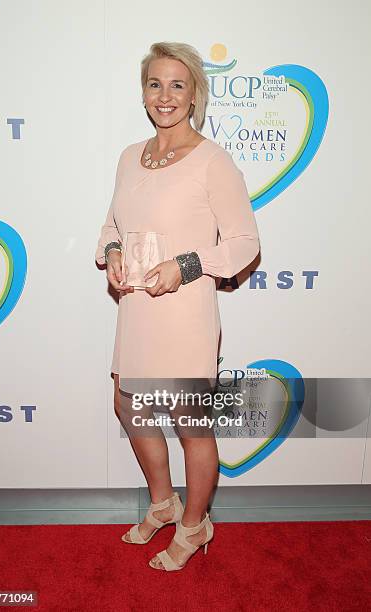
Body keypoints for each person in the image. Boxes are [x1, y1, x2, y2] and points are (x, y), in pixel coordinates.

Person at [95, 41, 260, 571]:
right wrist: (115, 250)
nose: (164, 96)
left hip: (185, 311)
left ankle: (194, 524)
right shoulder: (129, 157)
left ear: (194, 96)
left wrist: (186, 265)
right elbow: (111, 224)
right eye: (155, 84)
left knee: (191, 424)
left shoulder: (213, 162)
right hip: (137, 309)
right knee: (128, 404)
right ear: (144, 92)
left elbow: (244, 243)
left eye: (177, 85)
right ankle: (163, 502)